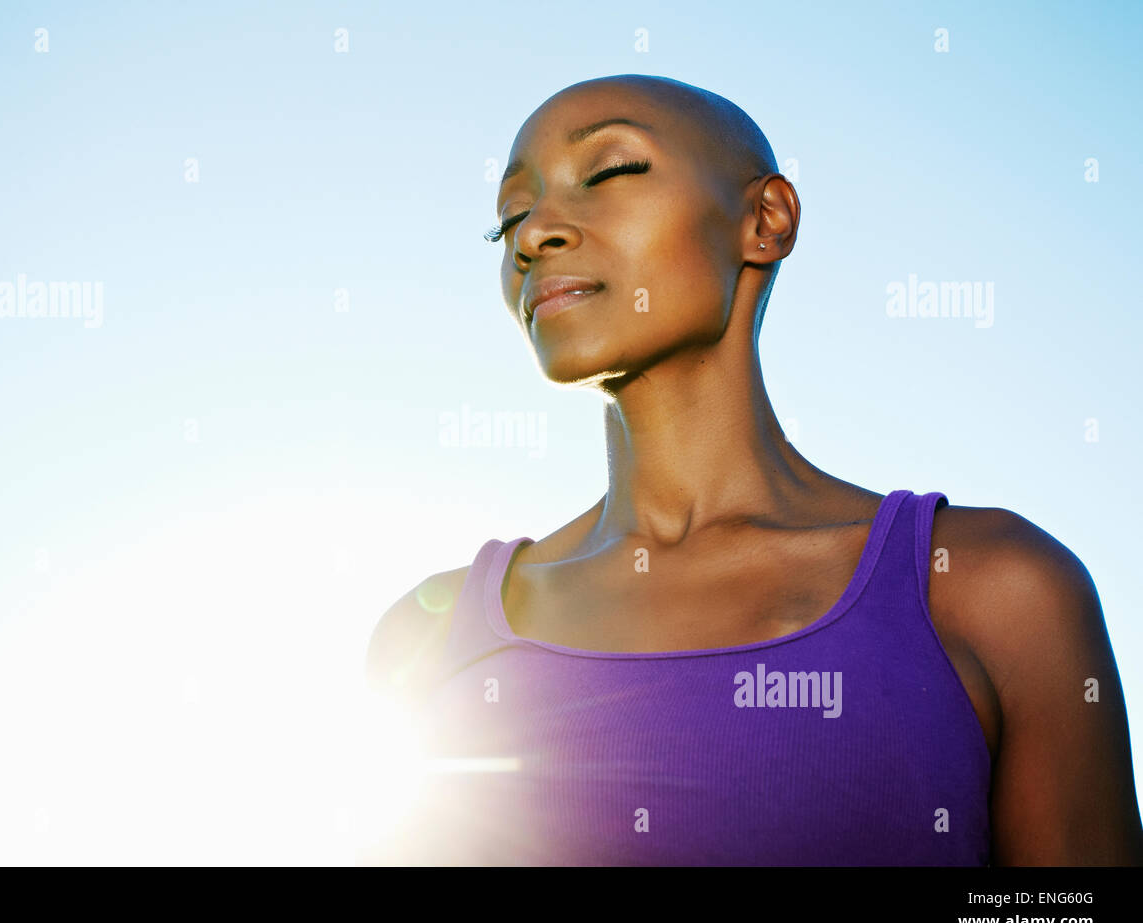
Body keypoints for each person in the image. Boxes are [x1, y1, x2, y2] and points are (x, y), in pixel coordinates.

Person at [363, 74, 1143, 865]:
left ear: (765, 220)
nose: (534, 235)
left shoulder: (994, 589)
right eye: (509, 219)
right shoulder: (424, 638)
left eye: (610, 172)